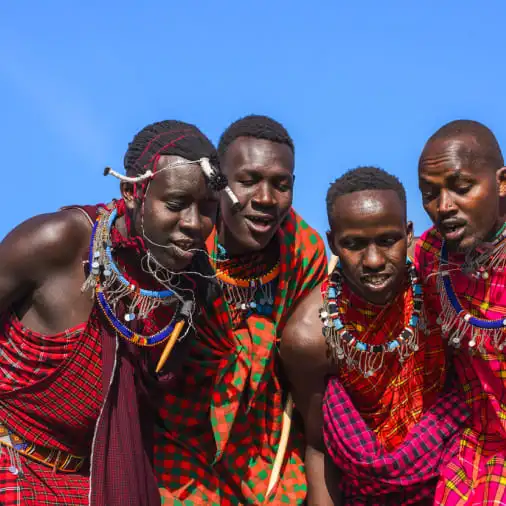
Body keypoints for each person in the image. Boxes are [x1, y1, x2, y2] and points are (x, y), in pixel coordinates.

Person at [0, 120, 231, 505]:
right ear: (132, 192)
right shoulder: (58, 242)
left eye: (207, 208)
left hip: (87, 485)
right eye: (176, 204)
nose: (194, 223)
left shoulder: (189, 289)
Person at [155, 115, 328, 505]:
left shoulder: (303, 252)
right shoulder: (184, 243)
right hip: (176, 435)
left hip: (264, 444)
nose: (266, 199)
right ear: (219, 182)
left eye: (281, 185)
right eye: (248, 181)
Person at [281, 167, 469, 505]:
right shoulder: (309, 336)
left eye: (387, 241)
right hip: (364, 493)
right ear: (332, 242)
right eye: (353, 244)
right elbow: (319, 447)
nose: (373, 261)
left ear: (408, 234)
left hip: (450, 475)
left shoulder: (443, 291)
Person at [417, 120, 506, 505]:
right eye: (430, 194)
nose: (443, 207)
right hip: (477, 450)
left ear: (502, 182)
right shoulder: (430, 256)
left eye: (462, 187)